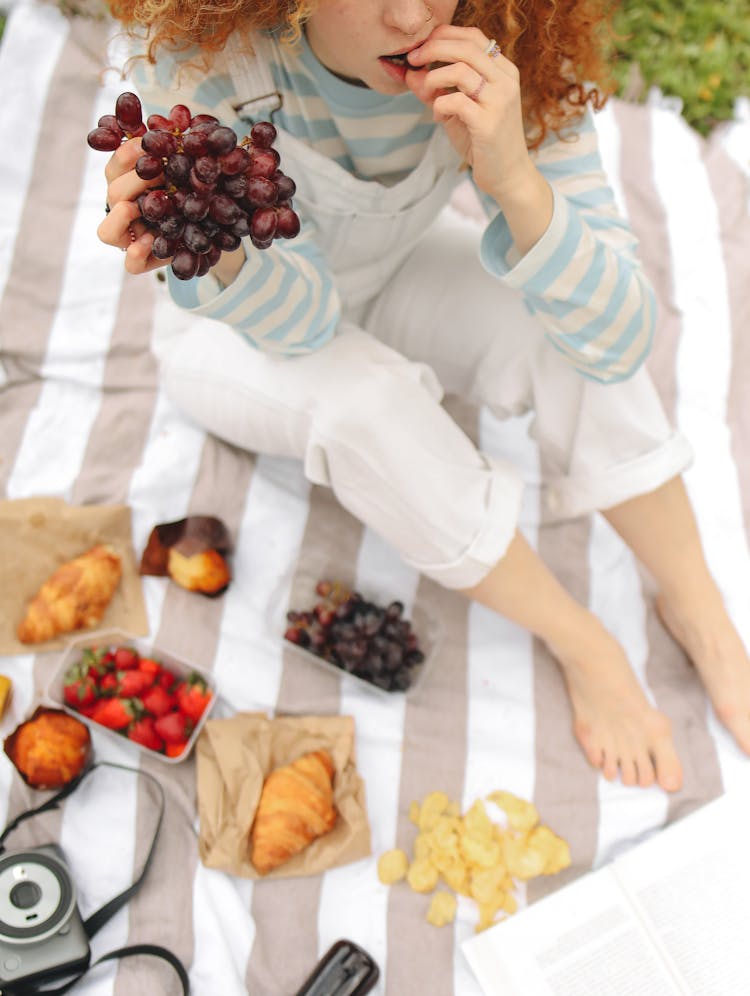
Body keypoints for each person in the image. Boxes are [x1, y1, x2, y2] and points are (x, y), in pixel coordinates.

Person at [98, 0, 750, 793]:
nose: (410, 16)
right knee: (370, 408)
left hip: (392, 270)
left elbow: (615, 345)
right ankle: (582, 641)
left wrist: (512, 178)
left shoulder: (506, 45)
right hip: (240, 326)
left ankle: (700, 610)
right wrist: (205, 242)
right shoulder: (216, 63)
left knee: (568, 312)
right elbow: (302, 326)